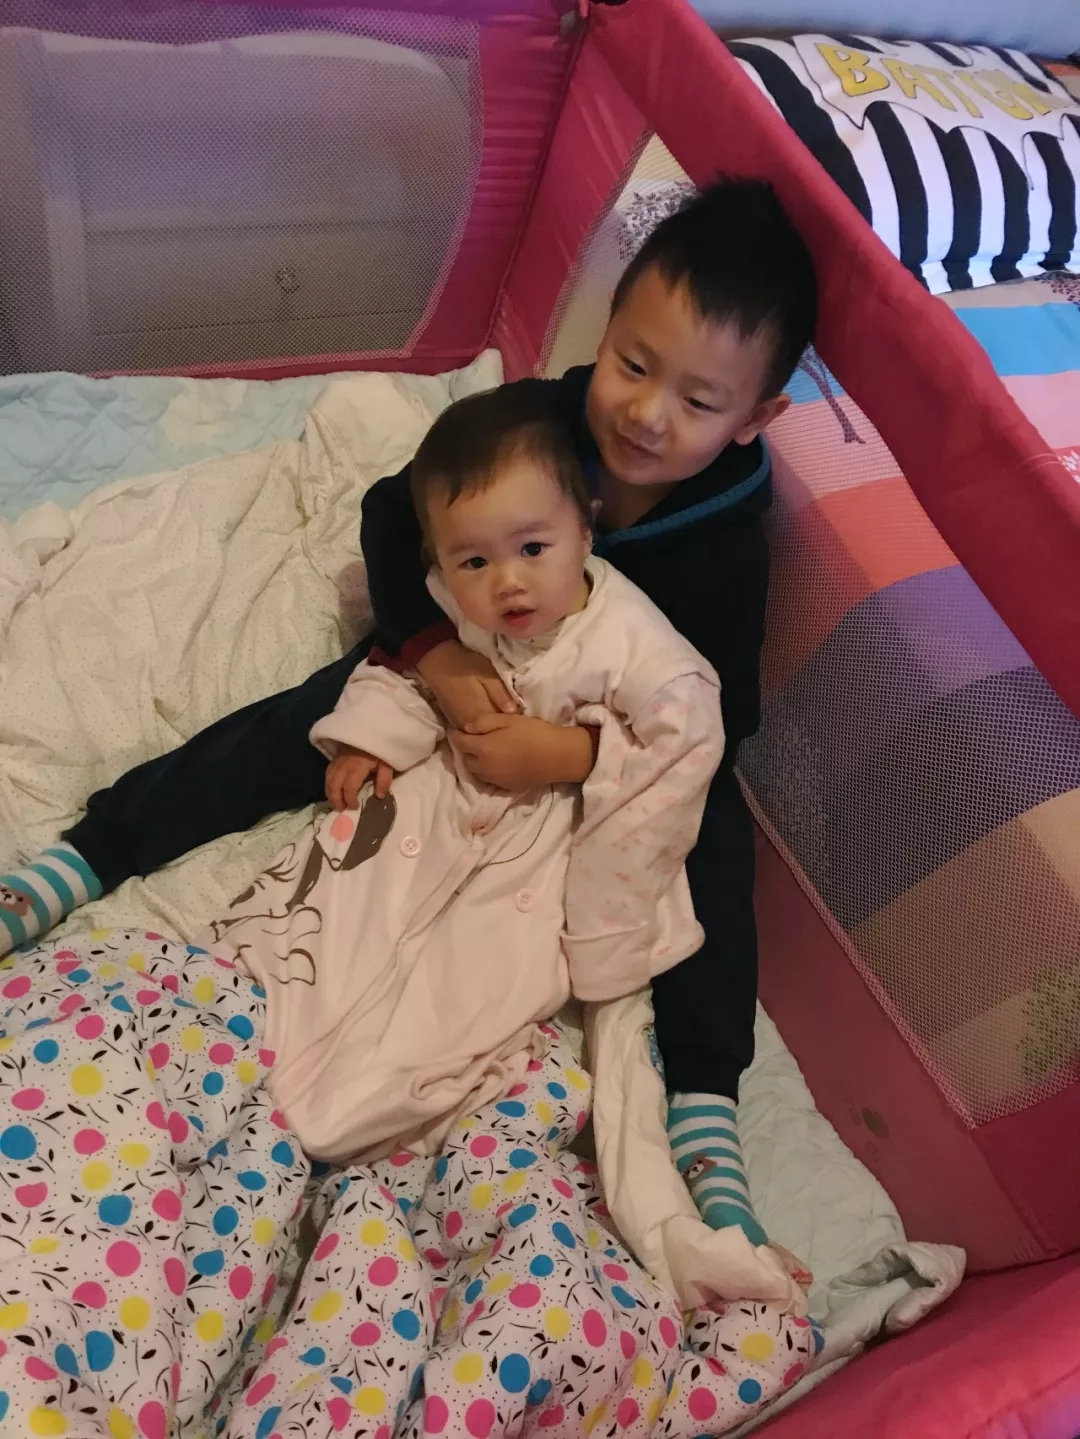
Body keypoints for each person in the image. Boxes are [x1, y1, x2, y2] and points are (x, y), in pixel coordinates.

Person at [0, 176, 817, 1247]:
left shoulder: (725, 543)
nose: (646, 413)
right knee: (315, 708)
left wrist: (571, 754)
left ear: (757, 418)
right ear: (608, 331)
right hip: (469, 650)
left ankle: (704, 1104)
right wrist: (434, 652)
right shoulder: (540, 422)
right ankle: (88, 855)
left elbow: (719, 718)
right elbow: (396, 517)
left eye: (699, 402)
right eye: (632, 363)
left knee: (715, 833)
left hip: (602, 719)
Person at [198, 387, 724, 1162]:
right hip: (444, 803)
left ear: (586, 530)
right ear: (441, 562)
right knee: (333, 923)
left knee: (463, 991)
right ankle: (232, 1052)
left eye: (533, 548)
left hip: (549, 850)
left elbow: (682, 753)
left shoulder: (637, 646)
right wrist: (373, 740)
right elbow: (406, 669)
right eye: (474, 560)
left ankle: (357, 1117)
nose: (506, 581)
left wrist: (576, 759)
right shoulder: (461, 604)